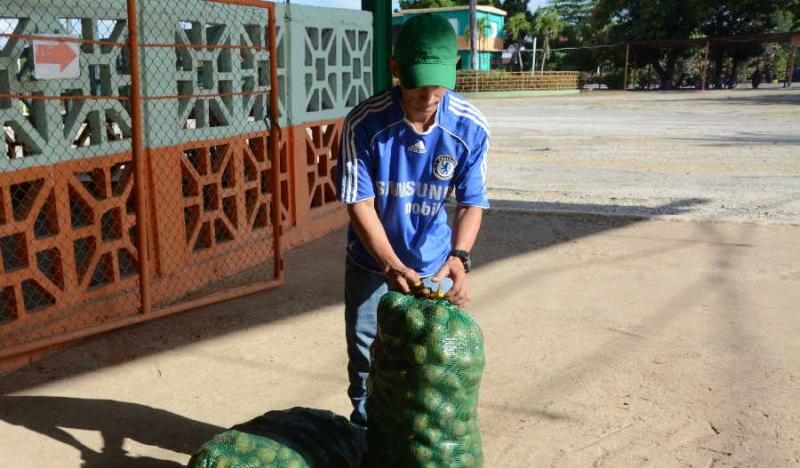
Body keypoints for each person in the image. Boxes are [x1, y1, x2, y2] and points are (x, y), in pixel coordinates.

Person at [334, 13, 490, 427]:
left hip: (434, 264)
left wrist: (460, 256)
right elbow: (359, 204)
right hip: (371, 262)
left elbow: (471, 202)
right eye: (416, 82)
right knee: (367, 352)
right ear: (395, 69)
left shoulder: (469, 126)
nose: (427, 94)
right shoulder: (364, 124)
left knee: (431, 360)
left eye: (438, 83)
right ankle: (367, 436)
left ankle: (415, 440)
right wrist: (390, 264)